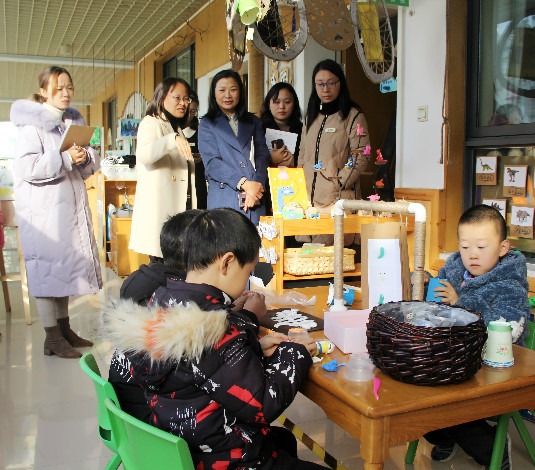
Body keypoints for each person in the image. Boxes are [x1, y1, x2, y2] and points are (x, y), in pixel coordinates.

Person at [103, 208, 327, 470]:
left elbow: (199, 368)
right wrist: (294, 352)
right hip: (226, 460)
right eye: (248, 272)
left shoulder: (161, 300)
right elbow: (264, 404)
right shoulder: (212, 328)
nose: (246, 283)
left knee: (282, 440)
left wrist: (251, 347)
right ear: (227, 263)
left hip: (186, 443)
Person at [423, 204, 530, 470]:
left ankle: (492, 450)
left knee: (449, 403)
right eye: (465, 246)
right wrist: (426, 286)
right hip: (453, 359)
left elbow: (507, 331)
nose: (472, 254)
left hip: (493, 367)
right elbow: (436, 310)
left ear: (503, 248)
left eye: (481, 247)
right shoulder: (453, 270)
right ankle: (445, 435)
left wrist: (460, 304)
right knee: (415, 391)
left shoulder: (510, 286)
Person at [10, 65, 102, 359]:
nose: (65, 93)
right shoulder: (32, 126)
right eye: (58, 88)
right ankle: (52, 336)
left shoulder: (69, 123)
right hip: (44, 212)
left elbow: (84, 167)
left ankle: (64, 329)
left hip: (66, 210)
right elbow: (27, 168)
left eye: (69, 87)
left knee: (63, 269)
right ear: (43, 91)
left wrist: (84, 156)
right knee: (47, 270)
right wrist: (64, 158)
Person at [111, 209, 202, 421]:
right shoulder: (174, 297)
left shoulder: (144, 279)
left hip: (129, 409)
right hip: (152, 418)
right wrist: (247, 317)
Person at [297, 59, 369, 245]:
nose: (325, 89)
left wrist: (339, 182)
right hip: (309, 202)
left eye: (331, 83)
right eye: (320, 84)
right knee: (309, 256)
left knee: (336, 254)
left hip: (336, 200)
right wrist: (299, 187)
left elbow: (360, 156)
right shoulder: (310, 117)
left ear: (340, 84)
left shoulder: (353, 115)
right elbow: (302, 155)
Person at [129, 77, 196, 258]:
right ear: (162, 97)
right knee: (161, 263)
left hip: (177, 211)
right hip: (160, 210)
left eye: (186, 99)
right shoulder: (151, 122)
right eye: (177, 98)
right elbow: (145, 154)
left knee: (175, 263)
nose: (183, 103)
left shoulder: (176, 127)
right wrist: (172, 140)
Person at [198, 70, 270, 225]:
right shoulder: (206, 123)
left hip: (254, 197)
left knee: (255, 239)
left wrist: (256, 187)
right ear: (214, 93)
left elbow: (262, 156)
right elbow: (212, 164)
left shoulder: (253, 121)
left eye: (233, 89)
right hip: (224, 198)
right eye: (222, 90)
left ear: (240, 92)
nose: (227, 95)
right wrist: (244, 183)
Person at [259, 82, 303, 167]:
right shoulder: (259, 130)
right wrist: (271, 160)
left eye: (287, 102)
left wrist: (294, 162)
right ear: (269, 104)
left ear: (294, 104)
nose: (282, 106)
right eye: (276, 102)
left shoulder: (304, 130)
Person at [183, 91, 208, 209]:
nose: (189, 115)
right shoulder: (172, 132)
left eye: (193, 111)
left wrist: (202, 158)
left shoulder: (201, 131)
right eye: (187, 111)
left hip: (198, 178)